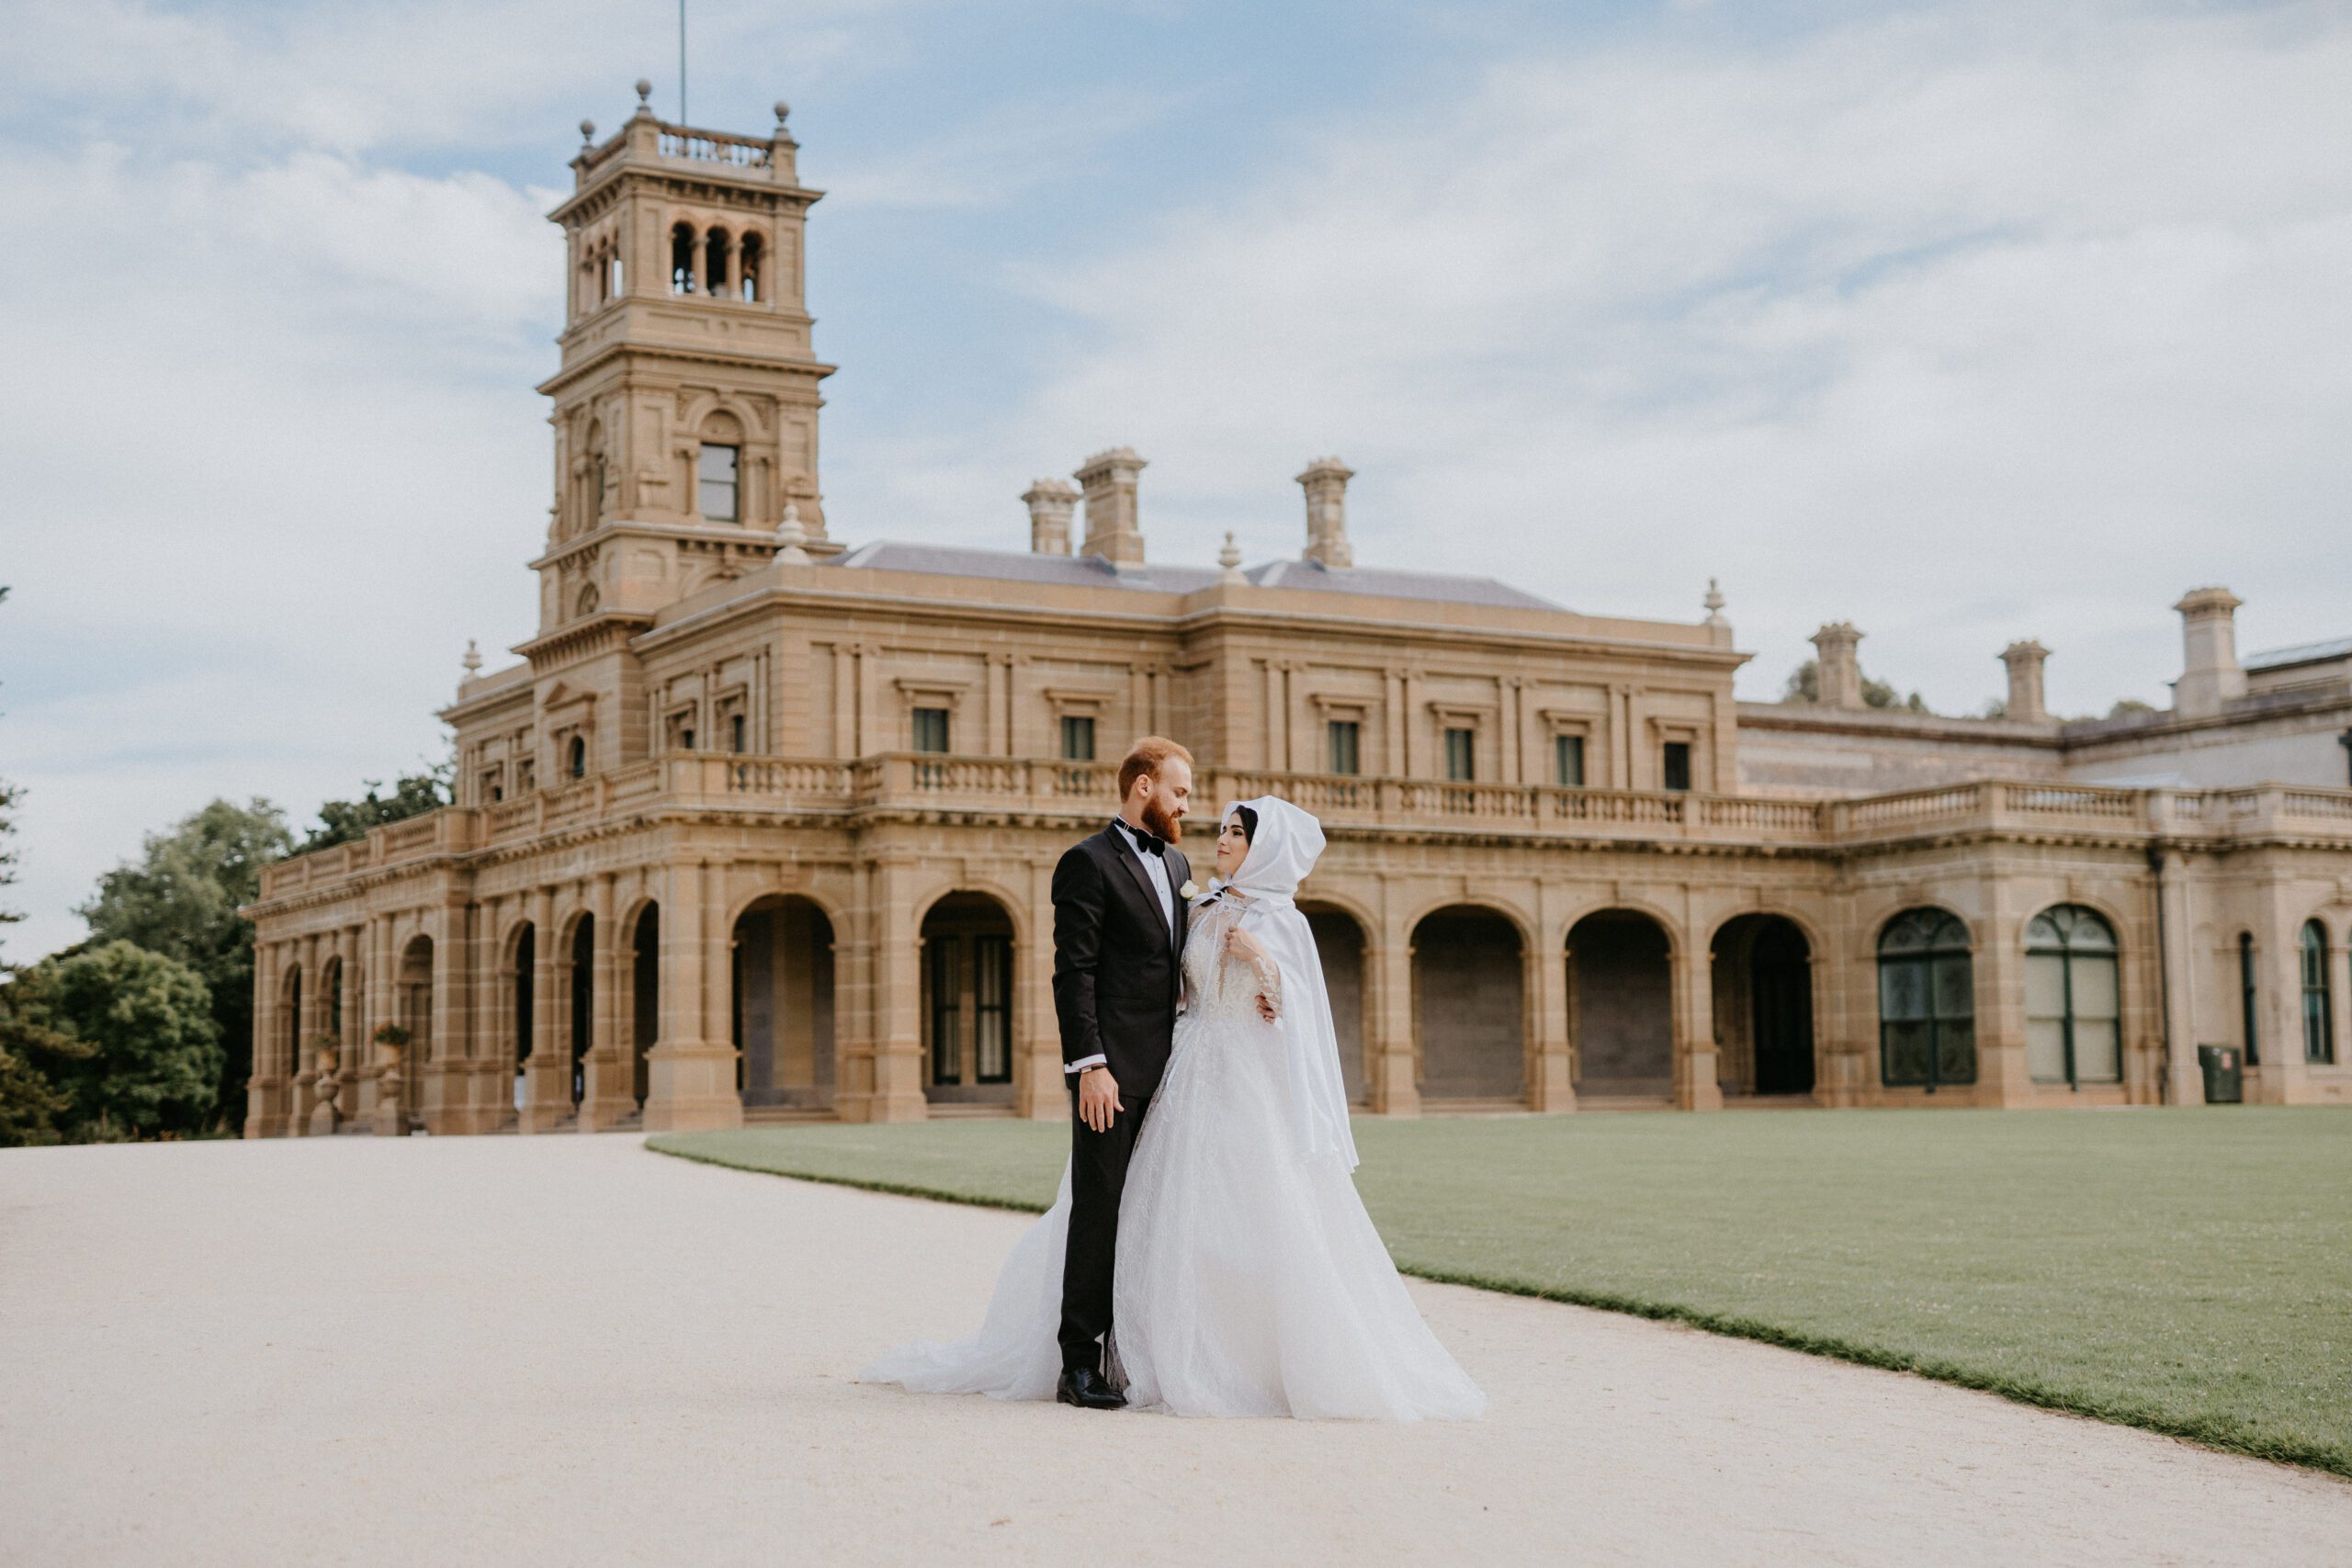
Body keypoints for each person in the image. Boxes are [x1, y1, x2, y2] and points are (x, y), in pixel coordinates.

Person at [861, 779, 1484, 1421]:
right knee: (1147, 1206)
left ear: (1265, 849)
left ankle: (1238, 1357)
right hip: (1179, 1067)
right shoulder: (1202, 900)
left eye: (1236, 833)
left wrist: (1265, 965)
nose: (1220, 836)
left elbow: (1304, 1007)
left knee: (1244, 1213)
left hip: (1242, 1075)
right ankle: (1124, 1347)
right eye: (1222, 828)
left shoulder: (1282, 920)